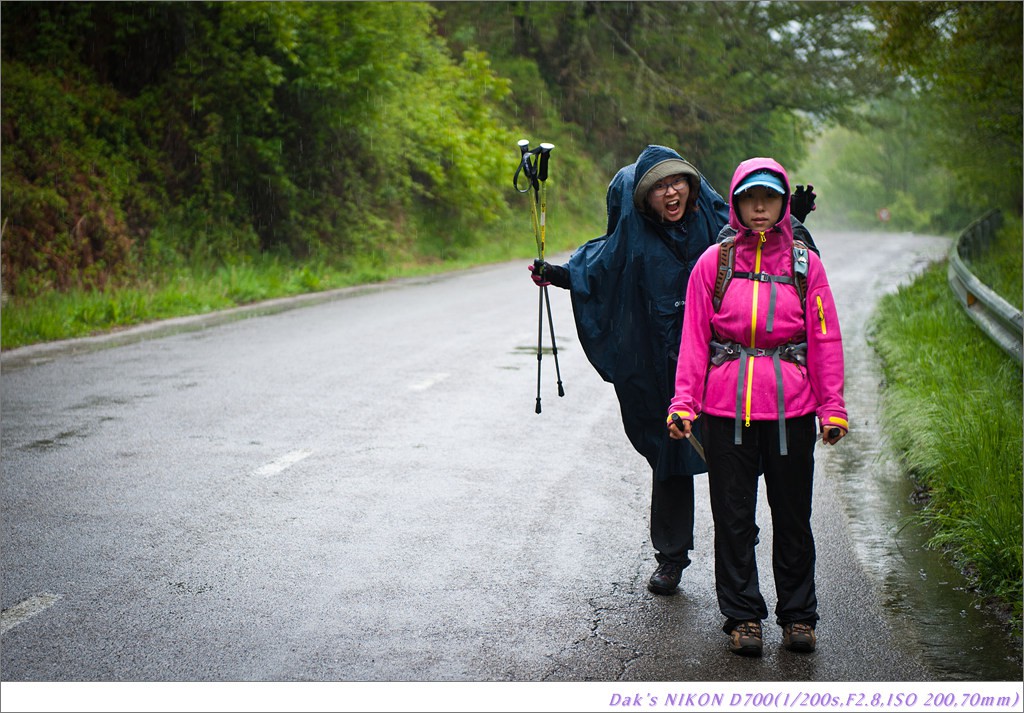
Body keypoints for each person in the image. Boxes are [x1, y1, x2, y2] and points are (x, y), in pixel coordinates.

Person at [529, 145, 818, 596]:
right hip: (659, 362)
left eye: (676, 182)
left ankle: (739, 529)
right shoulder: (633, 234)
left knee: (737, 449)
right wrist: (558, 274)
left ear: (691, 184)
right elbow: (599, 269)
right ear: (644, 196)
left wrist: (793, 218)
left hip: (720, 361)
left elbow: (759, 238)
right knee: (671, 456)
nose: (670, 193)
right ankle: (671, 556)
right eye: (659, 187)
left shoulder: (714, 220)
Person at [666, 156, 847, 657]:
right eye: (750, 198)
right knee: (734, 517)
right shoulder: (714, 263)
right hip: (727, 413)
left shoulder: (806, 265)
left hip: (792, 410)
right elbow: (694, 341)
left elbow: (825, 337)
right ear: (737, 203)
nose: (760, 207)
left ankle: (798, 616)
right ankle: (742, 616)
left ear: (784, 202)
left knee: (793, 518)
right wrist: (684, 403)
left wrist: (832, 407)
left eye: (769, 197)